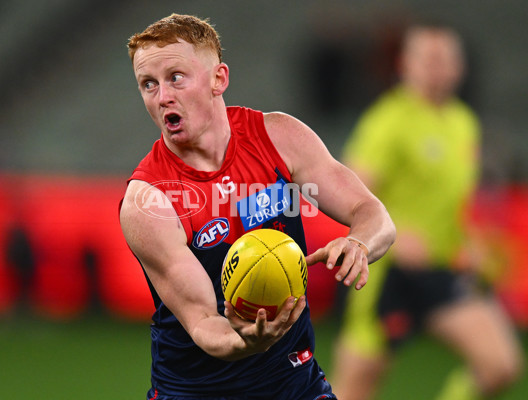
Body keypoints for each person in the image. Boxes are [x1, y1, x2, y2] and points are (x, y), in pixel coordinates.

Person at [119, 14, 395, 399]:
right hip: (197, 392)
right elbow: (203, 324)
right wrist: (250, 341)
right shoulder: (148, 201)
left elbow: (373, 214)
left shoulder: (280, 138)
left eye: (176, 77)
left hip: (295, 382)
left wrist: (360, 243)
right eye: (148, 84)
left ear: (219, 79)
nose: (162, 96)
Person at [332, 23, 524, 400]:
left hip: (441, 269)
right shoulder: (387, 121)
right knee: (353, 389)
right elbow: (345, 195)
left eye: (447, 58)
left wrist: (467, 244)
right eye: (429, 57)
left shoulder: (462, 123)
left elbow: (451, 203)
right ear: (406, 64)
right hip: (387, 273)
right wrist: (395, 232)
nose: (439, 66)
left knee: (501, 364)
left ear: (460, 66)